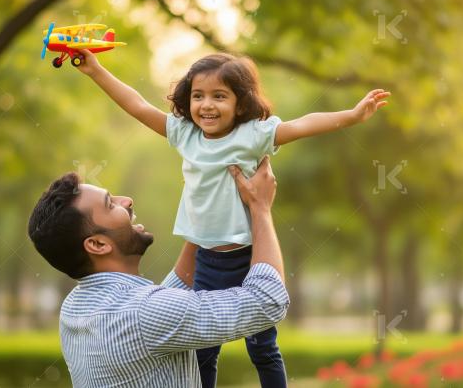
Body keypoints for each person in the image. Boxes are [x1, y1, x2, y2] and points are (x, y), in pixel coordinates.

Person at [76, 48, 389, 387]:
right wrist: (96, 71)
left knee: (263, 349)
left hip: (248, 257)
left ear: (240, 104)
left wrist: (353, 115)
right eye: (198, 96)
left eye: (219, 96)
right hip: (207, 261)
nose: (206, 105)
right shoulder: (185, 134)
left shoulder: (252, 135)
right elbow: (137, 106)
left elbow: (303, 124)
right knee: (203, 350)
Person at [27, 157, 288, 387]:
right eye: (110, 204)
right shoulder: (144, 314)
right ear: (97, 244)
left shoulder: (76, 308)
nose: (126, 201)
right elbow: (268, 301)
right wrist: (260, 208)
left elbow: (168, 299)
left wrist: (202, 212)